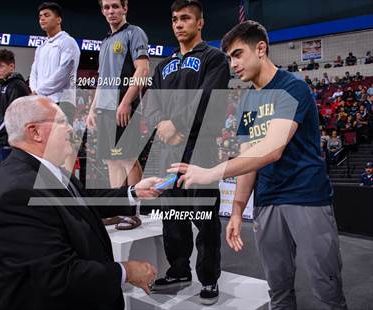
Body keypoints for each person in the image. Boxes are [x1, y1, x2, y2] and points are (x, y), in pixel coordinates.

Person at [169, 20, 347, 309]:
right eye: (228, 58)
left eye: (238, 54)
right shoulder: (247, 102)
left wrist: (212, 172)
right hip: (267, 204)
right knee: (278, 292)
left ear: (261, 49)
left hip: (307, 200)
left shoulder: (293, 88)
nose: (233, 64)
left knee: (326, 290)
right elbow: (248, 158)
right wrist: (238, 210)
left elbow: (272, 149)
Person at [0, 95, 163, 310]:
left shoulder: (41, 171)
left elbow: (82, 201)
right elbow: (59, 276)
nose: (70, 129)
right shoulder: (16, 195)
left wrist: (134, 192)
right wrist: (126, 271)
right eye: (61, 122)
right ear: (34, 131)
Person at [145, 0, 230, 305]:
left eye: (185, 18)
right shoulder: (163, 65)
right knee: (173, 215)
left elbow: (207, 97)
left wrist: (176, 124)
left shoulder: (215, 58)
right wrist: (162, 125)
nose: (178, 24)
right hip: (167, 149)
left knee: (204, 217)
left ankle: (209, 278)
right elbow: (151, 102)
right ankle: (179, 269)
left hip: (200, 148)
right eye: (174, 19)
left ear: (200, 23)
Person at [86, 0, 150, 229]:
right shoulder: (105, 42)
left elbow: (142, 70)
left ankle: (133, 213)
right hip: (104, 109)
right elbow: (103, 80)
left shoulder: (134, 33)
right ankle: (117, 208)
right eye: (106, 7)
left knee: (128, 159)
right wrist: (92, 109)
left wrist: (126, 102)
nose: (111, 11)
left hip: (122, 107)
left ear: (125, 8)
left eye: (115, 6)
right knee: (112, 161)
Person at [30, 2, 80, 127]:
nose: (42, 18)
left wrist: (39, 91)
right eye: (40, 16)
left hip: (61, 102)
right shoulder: (41, 47)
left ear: (58, 19)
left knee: (59, 144)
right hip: (42, 101)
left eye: (46, 15)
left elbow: (63, 74)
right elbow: (33, 73)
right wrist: (34, 90)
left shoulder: (68, 42)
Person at [0, 49, 30, 171]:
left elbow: (14, 115)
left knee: (8, 181)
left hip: (9, 143)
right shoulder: (2, 86)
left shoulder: (17, 85)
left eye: (0, 66)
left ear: (11, 66)